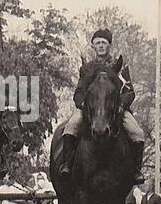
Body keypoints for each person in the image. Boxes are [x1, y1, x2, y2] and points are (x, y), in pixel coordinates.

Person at [53, 29, 146, 182]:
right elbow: (79, 92)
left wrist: (121, 105)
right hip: (91, 111)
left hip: (116, 110)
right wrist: (83, 104)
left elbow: (129, 92)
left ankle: (136, 170)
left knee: (137, 133)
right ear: (93, 46)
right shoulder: (87, 68)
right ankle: (67, 164)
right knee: (71, 127)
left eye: (104, 43)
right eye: (98, 43)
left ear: (110, 45)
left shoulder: (120, 67)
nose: (101, 46)